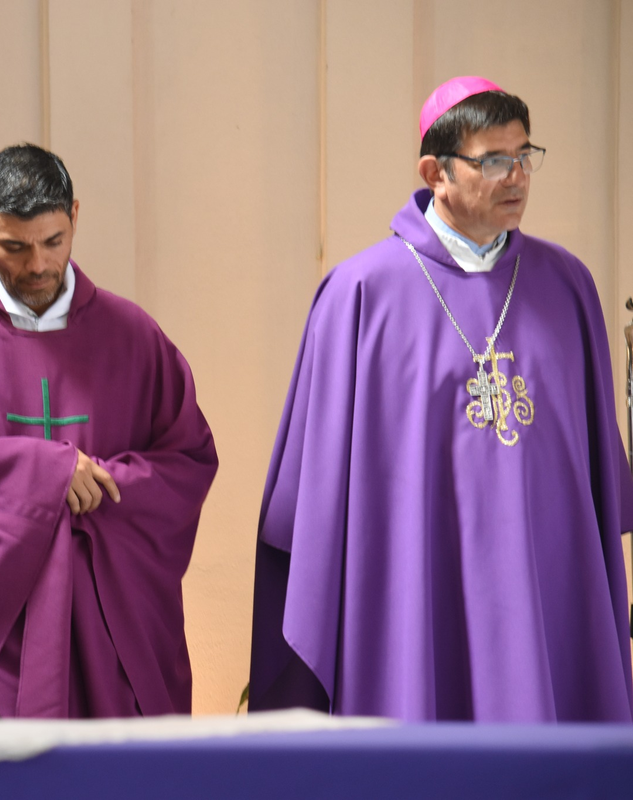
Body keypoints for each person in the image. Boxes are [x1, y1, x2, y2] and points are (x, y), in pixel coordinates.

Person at [249, 77, 633, 722]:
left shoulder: (566, 284)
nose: (516, 176)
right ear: (436, 172)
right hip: (415, 584)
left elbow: (591, 473)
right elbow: (315, 496)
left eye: (524, 155)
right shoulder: (361, 294)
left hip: (542, 578)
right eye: (492, 161)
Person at [0, 144, 218, 718]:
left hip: (105, 637)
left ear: (75, 217)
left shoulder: (132, 336)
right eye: (15, 246)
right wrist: (42, 474)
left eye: (54, 241)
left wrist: (103, 485)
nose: (37, 264)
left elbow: (187, 459)